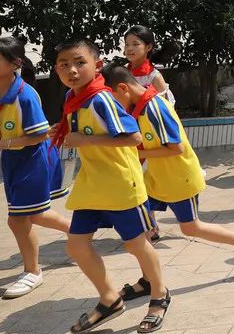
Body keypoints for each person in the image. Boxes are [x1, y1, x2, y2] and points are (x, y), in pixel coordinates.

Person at [103, 66, 234, 292]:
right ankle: (149, 280)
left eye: (112, 99)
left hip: (179, 179)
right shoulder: (139, 107)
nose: (114, 106)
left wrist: (138, 153)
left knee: (190, 227)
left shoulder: (155, 108)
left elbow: (175, 148)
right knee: (141, 230)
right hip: (155, 179)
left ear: (123, 88)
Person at [51, 40, 170, 334]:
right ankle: (109, 299)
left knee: (136, 244)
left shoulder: (101, 99)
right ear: (56, 69)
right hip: (92, 183)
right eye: (64, 64)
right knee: (76, 245)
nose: (71, 70)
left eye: (79, 62)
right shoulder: (73, 98)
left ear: (97, 65)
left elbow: (133, 137)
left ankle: (159, 295)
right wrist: (62, 131)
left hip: (120, 184)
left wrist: (84, 140)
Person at [0, 36, 70, 299]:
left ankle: (33, 272)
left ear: (14, 63)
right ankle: (77, 231)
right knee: (32, 215)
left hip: (32, 159)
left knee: (18, 219)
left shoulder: (25, 96)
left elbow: (39, 135)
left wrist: (1, 144)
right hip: (12, 159)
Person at [122, 25, 180, 106]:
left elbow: (165, 109)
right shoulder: (122, 72)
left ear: (148, 47)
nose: (129, 48)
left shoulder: (155, 77)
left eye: (135, 44)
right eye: (127, 44)